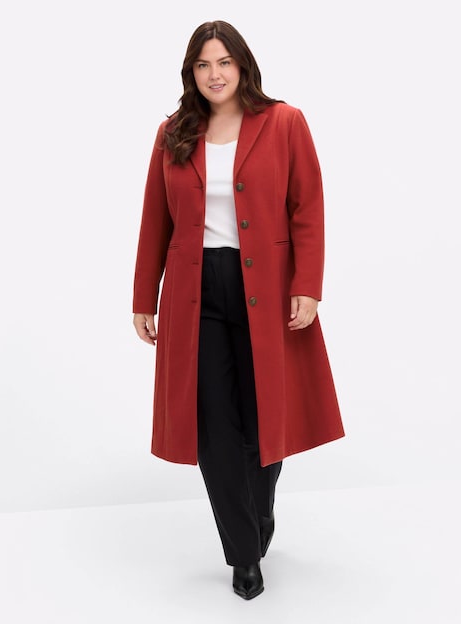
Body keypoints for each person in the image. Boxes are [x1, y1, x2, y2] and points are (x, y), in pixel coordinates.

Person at [132, 20, 345, 600]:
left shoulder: (284, 122)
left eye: (223, 62)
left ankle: (259, 511)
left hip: (267, 290)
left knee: (263, 418)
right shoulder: (174, 132)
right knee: (213, 426)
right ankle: (244, 553)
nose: (214, 74)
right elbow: (155, 219)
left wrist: (308, 285)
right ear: (191, 73)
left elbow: (308, 207)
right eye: (203, 65)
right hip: (194, 294)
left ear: (242, 65)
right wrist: (143, 296)